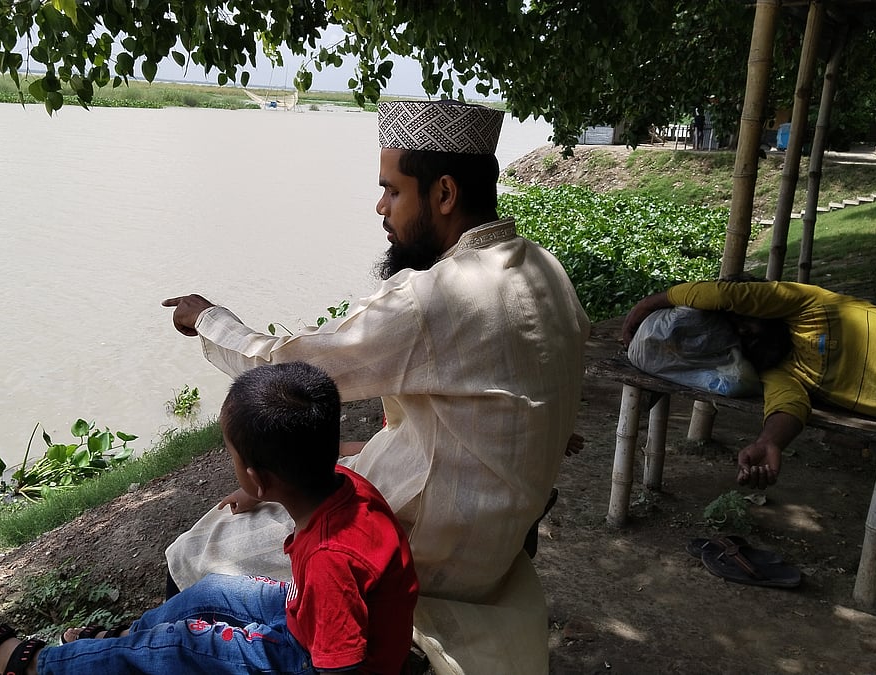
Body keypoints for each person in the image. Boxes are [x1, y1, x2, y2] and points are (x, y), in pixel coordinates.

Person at [161, 100, 589, 673]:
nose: (381, 207)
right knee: (287, 489)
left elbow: (290, 367)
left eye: (392, 190)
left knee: (198, 550)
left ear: (443, 193)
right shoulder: (544, 270)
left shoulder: (438, 298)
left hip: (430, 550)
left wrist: (210, 321)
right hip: (496, 534)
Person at [0, 362, 419, 675]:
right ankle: (128, 638)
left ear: (260, 477)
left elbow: (340, 665)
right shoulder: (344, 484)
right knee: (213, 590)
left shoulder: (329, 560)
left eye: (232, 455)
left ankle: (37, 666)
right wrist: (257, 492)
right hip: (309, 615)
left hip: (307, 657)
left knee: (186, 646)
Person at [621, 280, 876, 489]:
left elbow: (724, 295)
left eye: (742, 320)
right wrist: (769, 442)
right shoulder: (781, 373)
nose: (744, 333)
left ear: (761, 307)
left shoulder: (806, 305)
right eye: (734, 336)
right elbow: (788, 406)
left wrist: (647, 304)